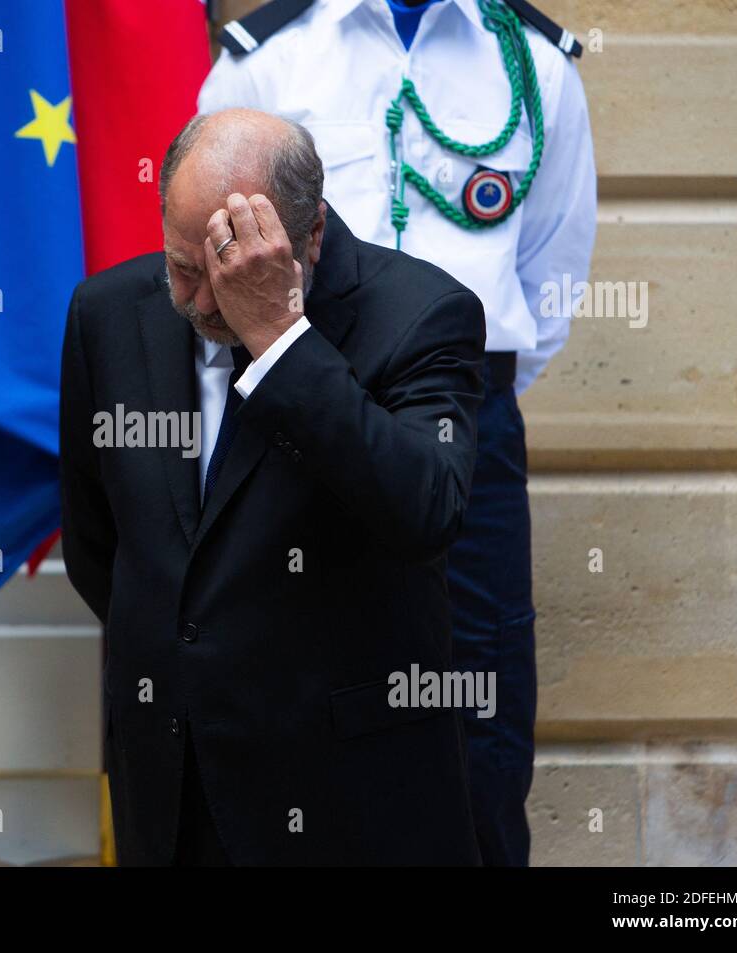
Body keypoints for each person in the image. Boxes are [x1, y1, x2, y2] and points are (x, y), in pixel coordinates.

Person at [198, 0, 597, 865]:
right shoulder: (269, 61)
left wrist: (438, 394)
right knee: (296, 703)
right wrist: (326, 395)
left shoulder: (535, 66)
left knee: (478, 728)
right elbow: (211, 273)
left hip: (465, 425)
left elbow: (553, 274)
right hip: (293, 418)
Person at [59, 107, 486, 865]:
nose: (199, 300)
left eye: (230, 273)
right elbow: (102, 546)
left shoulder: (422, 314)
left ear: (310, 233)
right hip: (174, 784)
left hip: (347, 794)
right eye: (184, 266)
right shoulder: (108, 314)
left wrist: (279, 338)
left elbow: (426, 508)